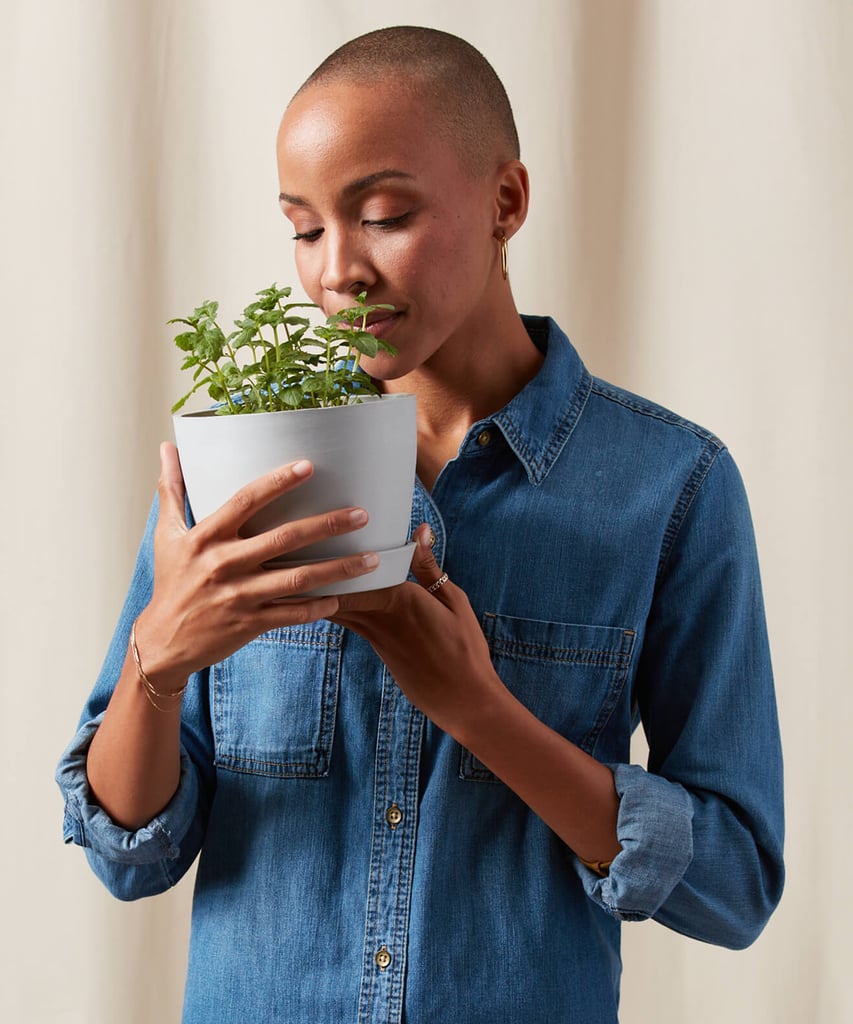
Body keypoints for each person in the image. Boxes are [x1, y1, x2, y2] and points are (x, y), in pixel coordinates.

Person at [57, 25, 784, 1024]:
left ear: (506, 203)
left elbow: (735, 883)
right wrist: (157, 662)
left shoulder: (672, 488)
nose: (335, 273)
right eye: (305, 230)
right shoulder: (242, 461)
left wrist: (481, 711)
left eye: (385, 214)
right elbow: (124, 852)